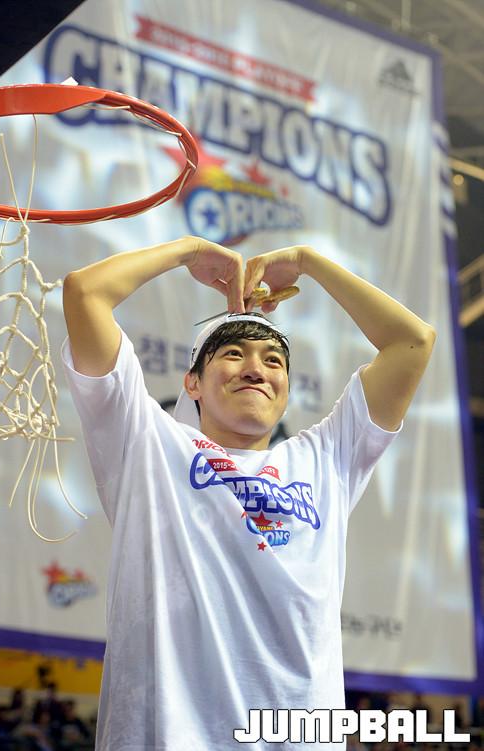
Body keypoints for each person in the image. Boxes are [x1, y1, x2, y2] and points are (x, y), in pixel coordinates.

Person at [62, 235, 436, 750]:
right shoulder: (147, 444)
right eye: (234, 354)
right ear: (192, 383)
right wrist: (188, 252)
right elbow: (85, 293)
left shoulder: (327, 457)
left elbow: (412, 342)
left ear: (285, 390)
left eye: (274, 361)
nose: (256, 369)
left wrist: (308, 262)